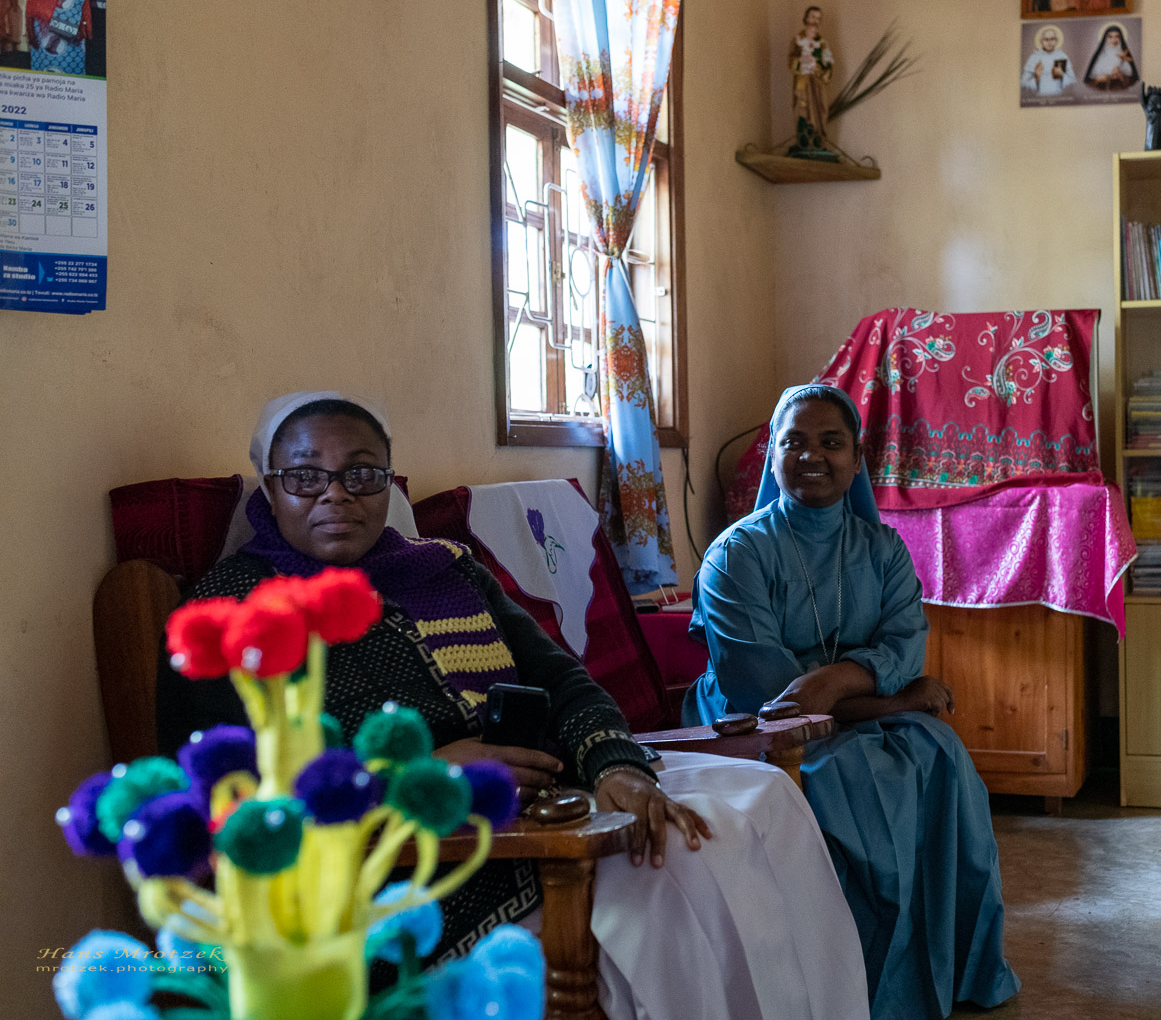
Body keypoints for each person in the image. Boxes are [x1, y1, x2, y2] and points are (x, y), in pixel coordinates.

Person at [157, 391, 869, 1020]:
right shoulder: (228, 611)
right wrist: (426, 778)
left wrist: (618, 768)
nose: (336, 494)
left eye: (362, 473)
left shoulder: (445, 567)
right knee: (672, 867)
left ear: (388, 481)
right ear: (271, 488)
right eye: (306, 476)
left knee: (766, 799)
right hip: (430, 860)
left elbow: (563, 680)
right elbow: (230, 796)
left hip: (551, 791)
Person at [686, 384, 1021, 1020]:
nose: (812, 456)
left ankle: (950, 970)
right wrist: (893, 703)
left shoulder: (884, 550)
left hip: (855, 711)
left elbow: (904, 647)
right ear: (773, 455)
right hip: (753, 727)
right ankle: (855, 990)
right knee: (851, 776)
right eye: (794, 442)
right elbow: (773, 697)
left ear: (856, 458)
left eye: (831, 442)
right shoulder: (734, 556)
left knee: (941, 753)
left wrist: (838, 681)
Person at [789, 5, 833, 146]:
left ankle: (818, 142)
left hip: (818, 83)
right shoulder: (798, 41)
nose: (816, 21)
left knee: (820, 109)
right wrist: (803, 62)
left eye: (819, 19)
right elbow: (791, 61)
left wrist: (825, 72)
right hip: (803, 82)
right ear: (806, 18)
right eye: (813, 17)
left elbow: (829, 63)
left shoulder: (823, 43)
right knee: (803, 109)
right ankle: (803, 142)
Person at [1022, 24, 1075, 99]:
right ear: (1041, 41)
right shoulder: (1034, 57)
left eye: (1052, 39)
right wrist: (1036, 76)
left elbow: (1072, 81)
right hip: (1039, 97)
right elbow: (1023, 84)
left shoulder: (1062, 56)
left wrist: (1062, 76)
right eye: (1046, 39)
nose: (1049, 42)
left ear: (1056, 41)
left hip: (1059, 97)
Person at [1083, 24, 1138, 92]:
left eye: (1117, 36)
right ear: (1105, 38)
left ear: (1121, 38)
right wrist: (1103, 77)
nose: (1114, 40)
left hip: (1120, 89)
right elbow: (1091, 79)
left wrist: (1120, 74)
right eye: (1110, 37)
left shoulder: (1124, 55)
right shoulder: (1100, 56)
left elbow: (1132, 78)